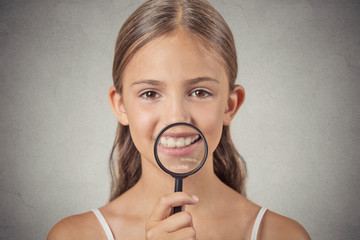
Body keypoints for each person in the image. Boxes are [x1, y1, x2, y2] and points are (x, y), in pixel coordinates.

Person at [47, 0, 311, 239]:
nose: (176, 117)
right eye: (150, 93)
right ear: (121, 105)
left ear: (230, 105)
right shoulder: (74, 235)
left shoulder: (282, 234)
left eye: (199, 92)